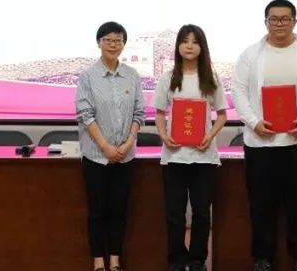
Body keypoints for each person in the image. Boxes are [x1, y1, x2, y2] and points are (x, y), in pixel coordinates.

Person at [232, 0, 297, 271]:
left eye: (285, 19)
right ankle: (262, 258)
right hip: (260, 143)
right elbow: (238, 91)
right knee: (261, 205)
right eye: (273, 19)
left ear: (294, 22)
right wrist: (254, 122)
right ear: (265, 22)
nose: (279, 24)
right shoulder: (250, 55)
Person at [153, 24, 228, 271]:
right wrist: (164, 135)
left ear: (202, 47)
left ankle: (197, 259)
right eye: (185, 41)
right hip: (174, 156)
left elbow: (222, 115)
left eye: (195, 42)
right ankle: (176, 259)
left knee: (202, 213)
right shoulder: (168, 78)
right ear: (178, 46)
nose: (189, 46)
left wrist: (210, 135)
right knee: (174, 213)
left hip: (204, 156)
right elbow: (160, 112)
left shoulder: (210, 78)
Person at [75, 21, 146, 271]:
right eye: (108, 40)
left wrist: (128, 143)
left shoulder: (132, 75)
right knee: (98, 210)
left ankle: (115, 260)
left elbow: (139, 113)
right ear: (99, 43)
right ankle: (98, 261)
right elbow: (85, 114)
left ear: (124, 44)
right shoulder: (88, 77)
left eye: (118, 40)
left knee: (119, 209)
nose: (113, 45)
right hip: (96, 156)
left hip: (125, 156)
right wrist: (105, 146)